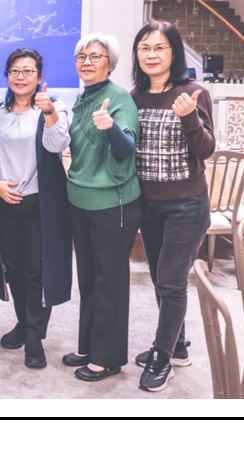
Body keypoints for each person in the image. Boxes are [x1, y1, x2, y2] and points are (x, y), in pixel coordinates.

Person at [130, 20, 216, 392]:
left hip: (187, 206)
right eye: (144, 48)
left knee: (171, 281)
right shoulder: (135, 96)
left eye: (159, 47)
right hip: (148, 204)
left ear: (174, 53)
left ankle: (161, 357)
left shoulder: (193, 93)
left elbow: (206, 150)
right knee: (159, 278)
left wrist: (189, 118)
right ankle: (177, 346)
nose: (151, 54)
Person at [0, 48, 72, 368]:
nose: (21, 77)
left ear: (39, 77)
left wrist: (49, 113)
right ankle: (24, 322)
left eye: (28, 71)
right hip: (5, 201)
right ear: (7, 76)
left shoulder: (54, 107)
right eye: (15, 71)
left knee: (36, 271)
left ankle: (34, 337)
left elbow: (57, 145)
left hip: (39, 203)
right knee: (14, 269)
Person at [63, 33, 142, 382]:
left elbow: (125, 149)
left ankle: (107, 358)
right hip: (80, 199)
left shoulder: (119, 98)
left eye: (95, 56)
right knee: (88, 279)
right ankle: (89, 346)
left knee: (109, 280)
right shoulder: (83, 98)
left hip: (113, 202)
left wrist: (110, 128)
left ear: (110, 64)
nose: (87, 62)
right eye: (81, 56)